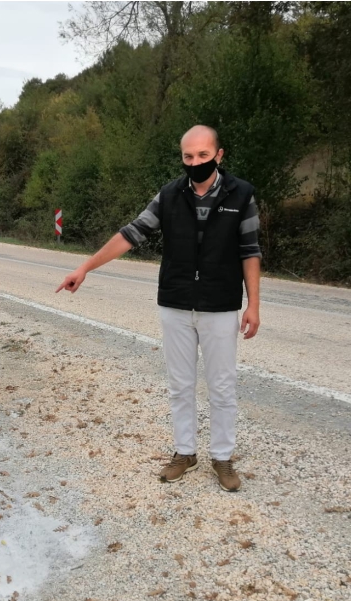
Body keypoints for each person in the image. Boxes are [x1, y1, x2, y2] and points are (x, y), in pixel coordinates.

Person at [55, 125, 262, 492]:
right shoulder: (170, 195)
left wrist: (253, 305)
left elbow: (250, 251)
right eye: (188, 156)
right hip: (176, 303)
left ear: (219, 154)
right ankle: (185, 452)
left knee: (222, 385)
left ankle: (223, 458)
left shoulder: (241, 194)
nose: (195, 162)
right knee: (180, 385)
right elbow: (131, 233)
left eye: (202, 155)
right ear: (182, 157)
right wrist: (84, 267)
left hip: (221, 305)